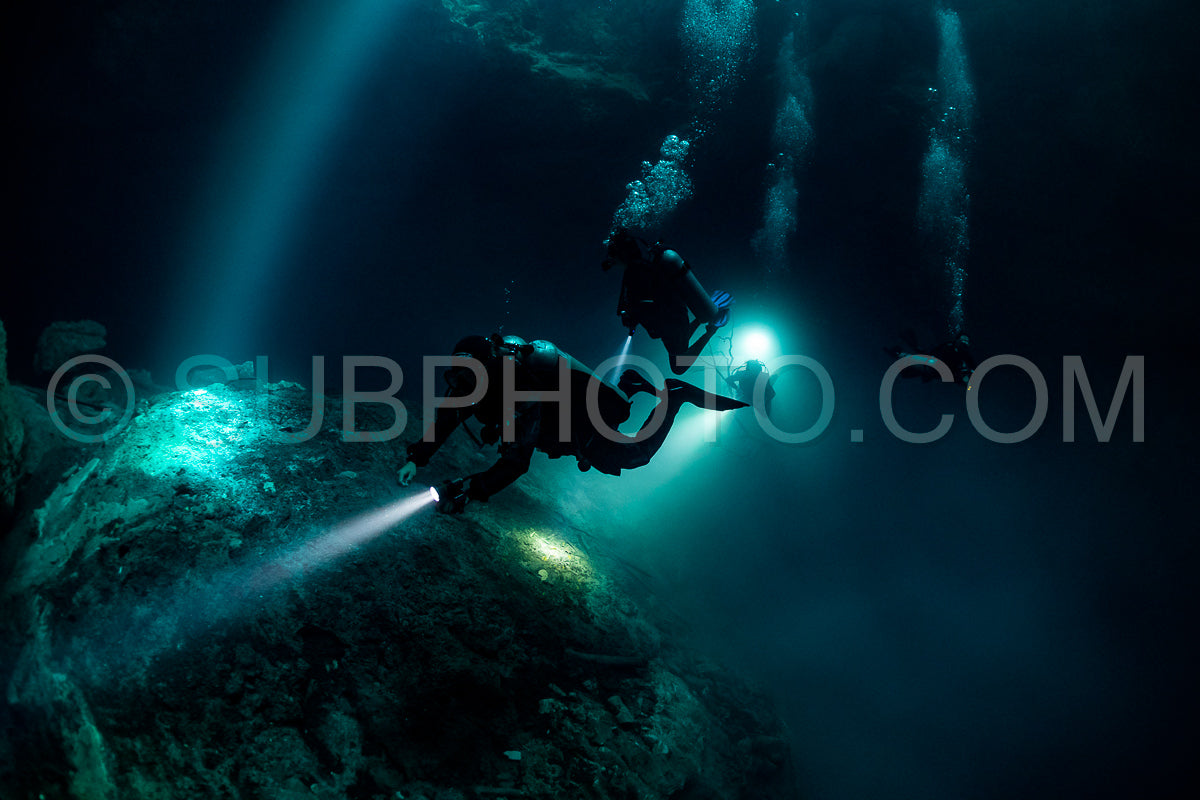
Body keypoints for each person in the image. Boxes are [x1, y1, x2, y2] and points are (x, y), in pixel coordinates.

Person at [398, 333, 746, 512]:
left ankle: (674, 394)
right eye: (459, 379)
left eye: (467, 378)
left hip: (584, 424)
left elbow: (516, 462)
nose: (462, 389)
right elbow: (448, 418)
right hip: (566, 419)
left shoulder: (523, 389)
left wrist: (472, 493)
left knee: (636, 455)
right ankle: (629, 385)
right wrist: (417, 457)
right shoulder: (478, 384)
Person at [602, 228, 732, 374]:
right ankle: (702, 318)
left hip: (669, 322)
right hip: (674, 318)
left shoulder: (635, 272)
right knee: (680, 346)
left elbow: (645, 301)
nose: (613, 261)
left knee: (678, 367)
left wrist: (632, 314)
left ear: (621, 253)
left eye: (613, 255)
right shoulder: (645, 264)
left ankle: (711, 330)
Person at [884, 330, 977, 386]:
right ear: (957, 340)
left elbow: (972, 369)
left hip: (935, 371)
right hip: (930, 365)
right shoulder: (948, 346)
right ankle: (898, 353)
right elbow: (936, 353)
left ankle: (901, 355)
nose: (964, 343)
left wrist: (969, 375)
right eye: (963, 340)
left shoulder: (965, 356)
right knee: (909, 359)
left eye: (966, 341)